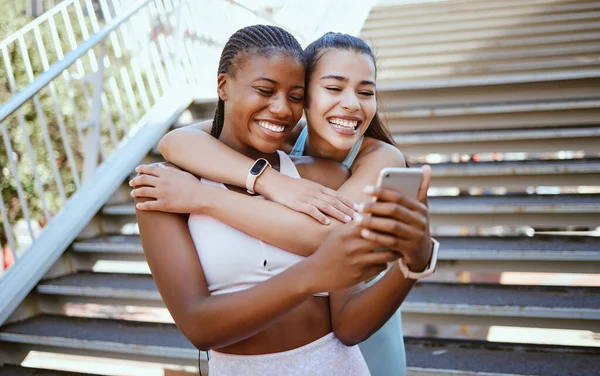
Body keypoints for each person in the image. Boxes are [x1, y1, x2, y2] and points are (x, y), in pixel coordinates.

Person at [132, 25, 434, 376]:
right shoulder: (177, 181)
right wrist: (268, 181)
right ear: (223, 86)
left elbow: (328, 237)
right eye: (333, 87)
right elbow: (176, 140)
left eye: (365, 92)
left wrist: (202, 198)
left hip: (361, 348)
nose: (350, 103)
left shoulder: (361, 163)